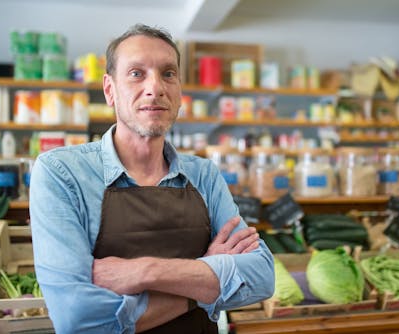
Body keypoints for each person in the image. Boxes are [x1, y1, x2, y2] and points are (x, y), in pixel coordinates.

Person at [30, 23, 274, 333]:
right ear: (109, 90)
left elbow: (261, 276)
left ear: (179, 91)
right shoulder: (61, 174)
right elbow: (77, 318)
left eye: (168, 73)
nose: (155, 87)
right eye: (136, 73)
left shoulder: (204, 175)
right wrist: (202, 284)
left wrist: (144, 271)